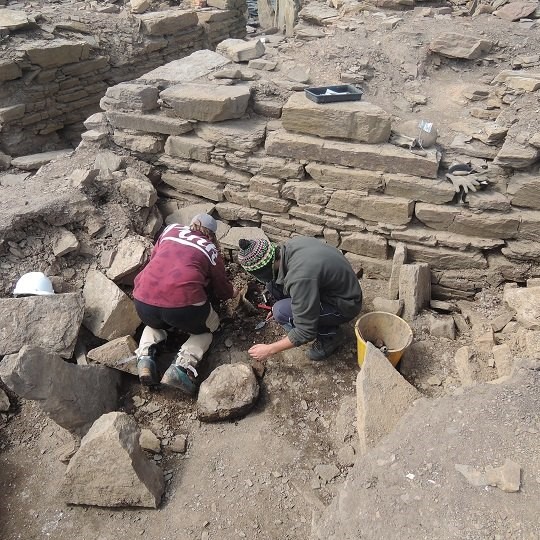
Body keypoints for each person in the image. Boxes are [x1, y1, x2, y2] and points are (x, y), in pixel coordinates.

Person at [133, 214, 235, 395]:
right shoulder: (211, 249)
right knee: (208, 330)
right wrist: (231, 293)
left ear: (191, 224)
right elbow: (222, 290)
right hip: (183, 306)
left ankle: (145, 358)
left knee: (154, 323)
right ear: (211, 235)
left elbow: (155, 257)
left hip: (143, 299)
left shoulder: (170, 229)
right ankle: (181, 368)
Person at [237, 236, 362, 362]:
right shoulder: (289, 246)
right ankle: (305, 314)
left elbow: (305, 331)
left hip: (345, 304)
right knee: (272, 285)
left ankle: (330, 336)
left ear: (262, 271)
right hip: (331, 287)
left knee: (281, 311)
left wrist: (269, 349)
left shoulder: (300, 277)